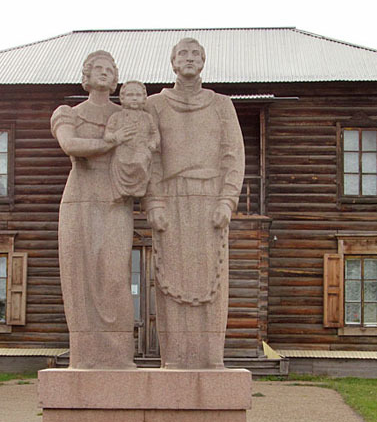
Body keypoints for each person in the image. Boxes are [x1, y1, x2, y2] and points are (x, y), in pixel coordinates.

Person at [144, 38, 245, 369]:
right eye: (182, 54)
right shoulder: (155, 105)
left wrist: (227, 200)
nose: (189, 59)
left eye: (195, 54)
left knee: (210, 281)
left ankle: (210, 358)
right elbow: (151, 157)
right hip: (171, 199)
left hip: (209, 200)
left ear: (203, 62)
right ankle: (173, 358)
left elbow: (233, 155)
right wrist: (154, 202)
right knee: (172, 278)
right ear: (172, 62)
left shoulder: (221, 105)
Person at [50, 51, 138, 369]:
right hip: (80, 198)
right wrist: (111, 141)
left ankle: (118, 355)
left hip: (116, 199)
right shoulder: (68, 113)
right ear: (86, 77)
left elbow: (143, 151)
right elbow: (71, 146)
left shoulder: (128, 114)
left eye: (109, 69)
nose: (103, 73)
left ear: (116, 79)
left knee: (115, 275)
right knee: (80, 276)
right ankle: (85, 355)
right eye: (97, 69)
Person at [106, 81, 160, 201]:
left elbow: (155, 134)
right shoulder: (117, 116)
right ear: (123, 98)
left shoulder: (147, 117)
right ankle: (122, 190)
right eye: (130, 95)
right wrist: (112, 136)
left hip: (141, 149)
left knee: (140, 161)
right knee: (121, 159)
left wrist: (153, 142)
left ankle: (138, 189)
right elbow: (108, 132)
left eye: (138, 95)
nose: (134, 98)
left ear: (144, 98)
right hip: (123, 150)